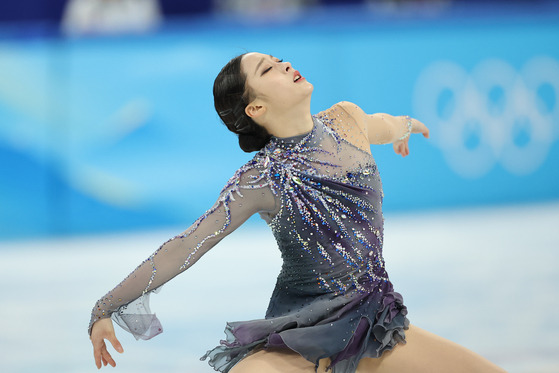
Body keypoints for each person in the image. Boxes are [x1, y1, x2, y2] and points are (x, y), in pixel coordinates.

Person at [89, 52, 506, 373]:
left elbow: (385, 123)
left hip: (373, 321)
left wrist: (408, 127)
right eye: (268, 70)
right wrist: (104, 308)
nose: (285, 64)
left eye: (278, 59)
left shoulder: (347, 120)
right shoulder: (262, 178)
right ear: (256, 109)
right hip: (300, 331)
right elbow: (184, 247)